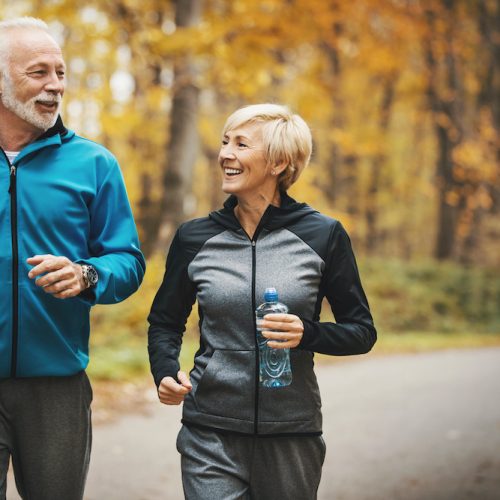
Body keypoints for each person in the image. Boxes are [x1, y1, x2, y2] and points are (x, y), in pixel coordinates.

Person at [148, 103, 376, 499]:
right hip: (210, 430)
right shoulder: (194, 237)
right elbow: (165, 323)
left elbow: (362, 332)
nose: (225, 154)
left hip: (291, 433)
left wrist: (308, 332)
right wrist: (166, 371)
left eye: (241, 144)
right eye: (224, 142)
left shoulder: (323, 235)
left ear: (278, 163)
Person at [0, 17, 145, 500]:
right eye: (38, 72)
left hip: (57, 387)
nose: (55, 86)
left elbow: (126, 260)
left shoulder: (93, 163)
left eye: (60, 72)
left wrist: (87, 274)